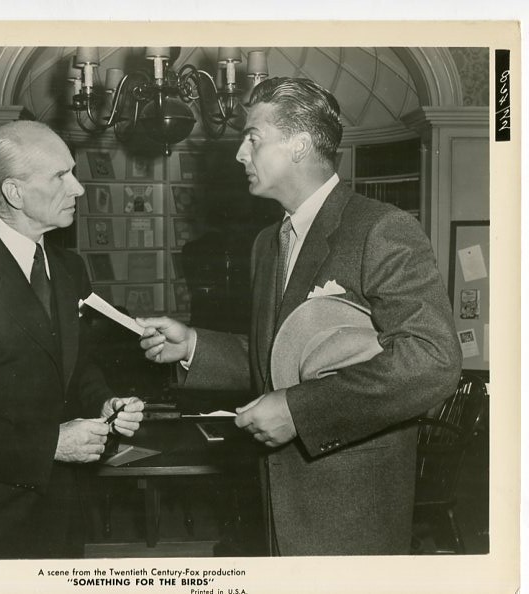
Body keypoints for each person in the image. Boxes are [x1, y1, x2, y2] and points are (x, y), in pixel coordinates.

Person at [137, 77, 461, 556]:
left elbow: (432, 360)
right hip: (276, 500)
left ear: (300, 145)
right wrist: (193, 346)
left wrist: (299, 410)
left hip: (351, 507)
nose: (240, 154)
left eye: (253, 138)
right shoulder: (267, 244)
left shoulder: (381, 228)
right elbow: (278, 358)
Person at [0, 120, 144, 559]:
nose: (78, 188)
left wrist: (103, 402)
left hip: (64, 510)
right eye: (60, 176)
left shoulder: (70, 268)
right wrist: (52, 444)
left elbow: (75, 366)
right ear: (15, 193)